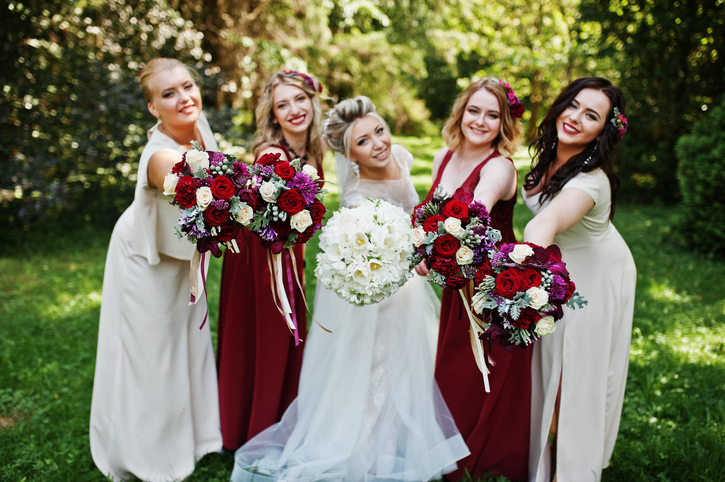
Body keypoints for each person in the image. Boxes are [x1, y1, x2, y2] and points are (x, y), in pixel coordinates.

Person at [230, 96, 470, 481]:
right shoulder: (358, 196)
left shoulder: (404, 158)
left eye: (379, 130)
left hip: (407, 288)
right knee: (377, 365)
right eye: (363, 141)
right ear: (350, 156)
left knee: (409, 362)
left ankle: (401, 435)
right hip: (378, 288)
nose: (378, 143)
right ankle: (369, 445)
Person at [89, 58, 223, 481]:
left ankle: (198, 438)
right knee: (152, 356)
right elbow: (208, 191)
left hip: (180, 257)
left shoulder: (201, 130)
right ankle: (147, 456)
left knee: (189, 341)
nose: (184, 98)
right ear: (153, 108)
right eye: (169, 94)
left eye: (187, 86)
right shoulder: (161, 157)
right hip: (143, 259)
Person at [522, 77, 635, 482]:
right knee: (552, 364)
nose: (575, 118)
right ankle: (549, 452)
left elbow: (545, 222)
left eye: (591, 115)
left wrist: (519, 273)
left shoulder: (591, 180)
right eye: (573, 105)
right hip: (558, 266)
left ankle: (573, 472)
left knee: (581, 373)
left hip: (597, 274)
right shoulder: (547, 158)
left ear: (602, 132)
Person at [417, 77, 531, 481]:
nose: (480, 121)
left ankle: (483, 457)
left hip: (493, 289)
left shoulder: (499, 167)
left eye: (492, 114)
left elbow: (473, 215)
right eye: (474, 110)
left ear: (503, 124)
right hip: (455, 281)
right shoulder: (442, 159)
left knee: (480, 374)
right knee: (451, 368)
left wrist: (429, 251)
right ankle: (451, 453)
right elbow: (429, 217)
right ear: (461, 112)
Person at [216, 70, 326, 451]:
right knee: (265, 337)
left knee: (283, 337)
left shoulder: (314, 148)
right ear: (273, 115)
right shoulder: (273, 153)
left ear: (313, 100)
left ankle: (281, 416)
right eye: (283, 104)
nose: (294, 109)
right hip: (260, 260)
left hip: (286, 257)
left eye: (299, 99)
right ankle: (255, 426)